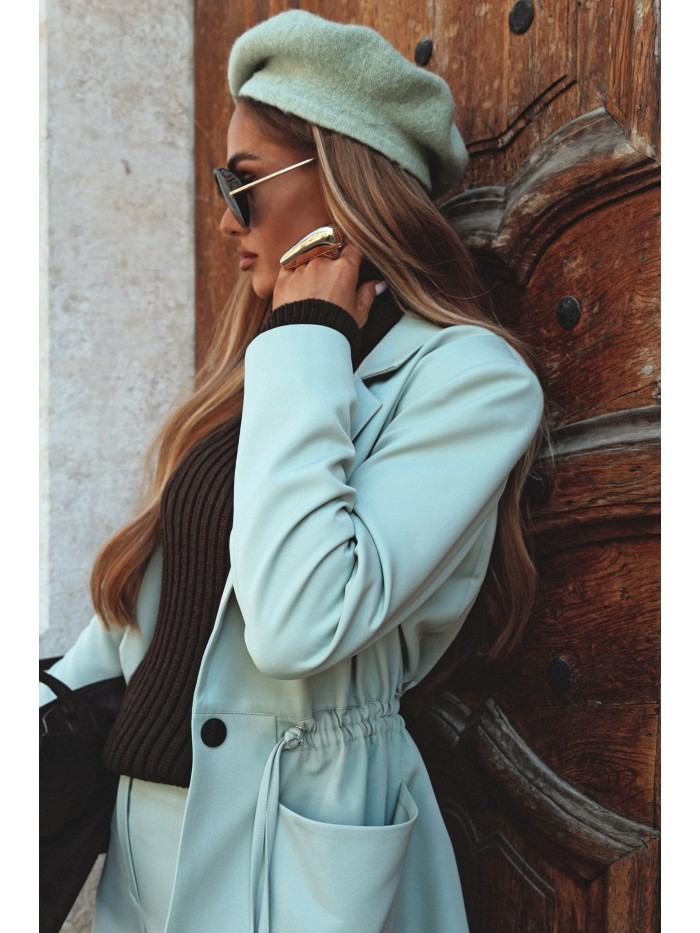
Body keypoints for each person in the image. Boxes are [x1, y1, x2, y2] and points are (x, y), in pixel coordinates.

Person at [40, 10, 544, 933]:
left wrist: (310, 336)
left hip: (299, 855)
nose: (224, 217)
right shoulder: (261, 367)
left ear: (344, 180)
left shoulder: (471, 381)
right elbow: (164, 605)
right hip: (148, 848)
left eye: (244, 183)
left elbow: (296, 622)